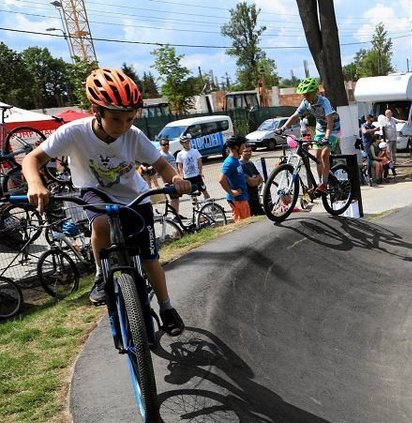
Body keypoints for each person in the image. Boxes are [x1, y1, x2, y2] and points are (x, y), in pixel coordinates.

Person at [22, 67, 190, 335]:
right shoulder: (73, 132)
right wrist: (35, 183)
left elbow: (161, 164)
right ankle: (102, 274)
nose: (123, 127)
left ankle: (167, 307)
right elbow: (32, 159)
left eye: (130, 119)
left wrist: (176, 180)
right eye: (116, 119)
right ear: (95, 110)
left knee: (149, 259)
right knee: (100, 223)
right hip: (95, 191)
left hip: (135, 197)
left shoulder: (133, 135)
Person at [276, 77, 341, 194]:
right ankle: (319, 183)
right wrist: (283, 128)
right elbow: (295, 116)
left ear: (315, 92)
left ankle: (325, 184)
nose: (305, 96)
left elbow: (330, 121)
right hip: (321, 128)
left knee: (325, 153)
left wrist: (326, 137)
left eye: (308, 94)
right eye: (304, 94)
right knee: (317, 155)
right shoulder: (305, 102)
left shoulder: (324, 101)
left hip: (333, 128)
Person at [219, 135, 252, 221]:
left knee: (246, 224)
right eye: (243, 145)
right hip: (238, 200)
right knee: (243, 226)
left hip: (242, 198)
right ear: (236, 147)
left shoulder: (236, 160)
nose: (244, 148)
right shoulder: (230, 162)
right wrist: (231, 193)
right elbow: (221, 180)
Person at [174, 133, 208, 216]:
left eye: (187, 142)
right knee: (193, 195)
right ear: (182, 144)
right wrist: (181, 175)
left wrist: (200, 172)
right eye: (184, 142)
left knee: (204, 190)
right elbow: (179, 165)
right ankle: (198, 211)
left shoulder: (195, 151)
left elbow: (199, 162)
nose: (186, 143)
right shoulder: (180, 154)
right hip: (187, 177)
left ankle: (211, 206)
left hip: (196, 175)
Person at [240, 146, 264, 216]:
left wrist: (254, 180)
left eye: (250, 151)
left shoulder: (250, 163)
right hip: (248, 199)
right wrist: (255, 180)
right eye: (246, 151)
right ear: (241, 152)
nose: (249, 153)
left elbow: (261, 179)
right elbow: (251, 183)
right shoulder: (241, 165)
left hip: (255, 197)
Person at [381, 110, 399, 176]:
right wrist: (385, 138)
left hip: (394, 138)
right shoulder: (384, 120)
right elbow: (383, 130)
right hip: (388, 139)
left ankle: (394, 162)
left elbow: (399, 121)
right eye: (388, 113)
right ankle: (389, 164)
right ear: (386, 114)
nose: (390, 114)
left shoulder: (393, 119)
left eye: (391, 113)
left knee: (394, 151)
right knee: (388, 152)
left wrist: (405, 121)